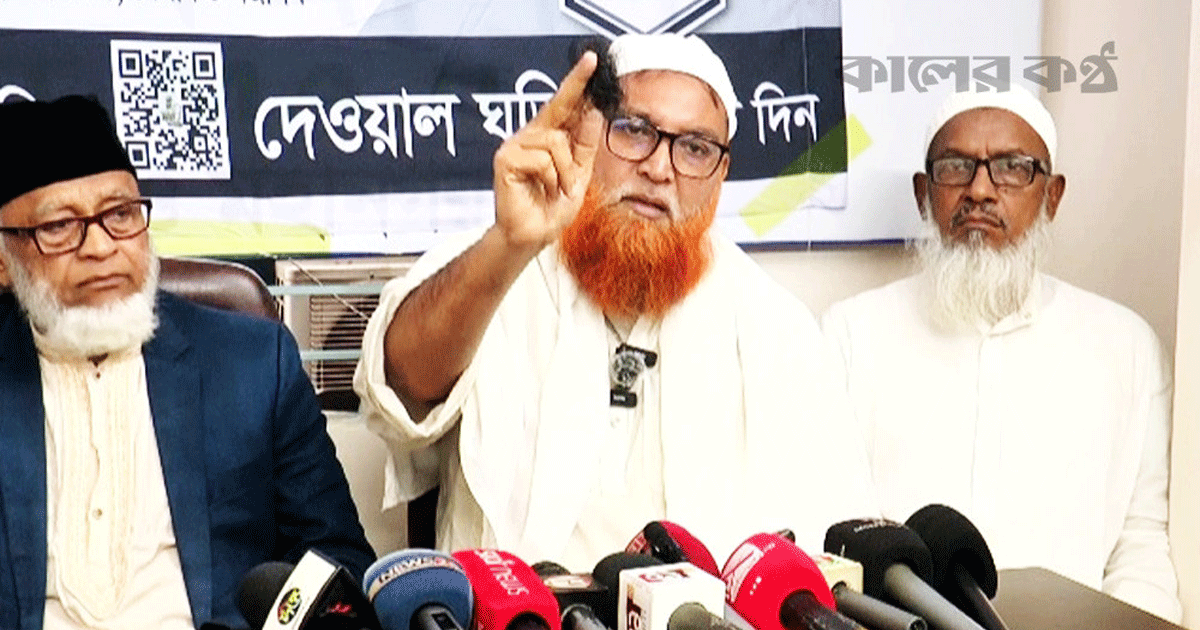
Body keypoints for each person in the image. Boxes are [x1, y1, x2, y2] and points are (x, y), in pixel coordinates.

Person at [354, 33, 878, 569]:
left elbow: (832, 539)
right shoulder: (503, 256)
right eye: (634, 130)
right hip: (518, 608)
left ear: (721, 175)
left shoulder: (775, 325)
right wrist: (507, 245)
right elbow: (400, 386)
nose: (659, 168)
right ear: (584, 134)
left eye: (695, 148)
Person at [0, 96, 376, 630]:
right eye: (59, 225)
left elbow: (337, 563)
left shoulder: (253, 365)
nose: (101, 247)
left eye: (121, 215)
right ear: (4, 260)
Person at [820, 87, 1181, 621]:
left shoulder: (1125, 345)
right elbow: (829, 523)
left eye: (1012, 167)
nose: (980, 190)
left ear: (1052, 196)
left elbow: (1141, 544)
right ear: (924, 194)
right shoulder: (851, 333)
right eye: (955, 167)